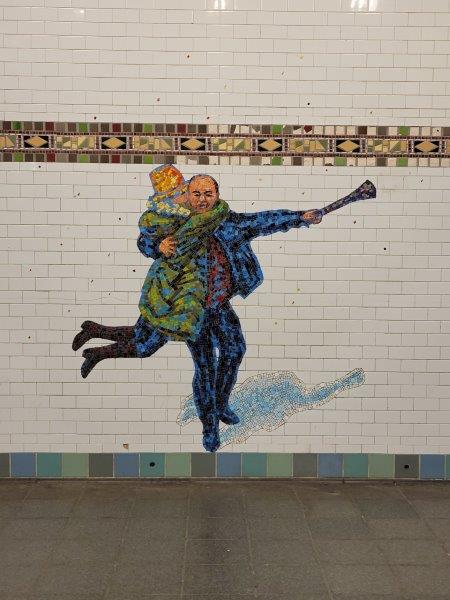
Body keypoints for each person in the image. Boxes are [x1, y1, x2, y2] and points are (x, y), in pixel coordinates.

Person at [73, 166, 322, 452]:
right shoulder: (175, 222)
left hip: (219, 305)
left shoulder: (226, 222)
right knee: (201, 366)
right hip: (189, 309)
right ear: (187, 195)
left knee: (235, 350)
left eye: (208, 193)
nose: (202, 199)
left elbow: (262, 221)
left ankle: (222, 403)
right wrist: (156, 245)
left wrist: (299, 218)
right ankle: (210, 425)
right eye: (196, 194)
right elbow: (145, 238)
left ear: (217, 195)